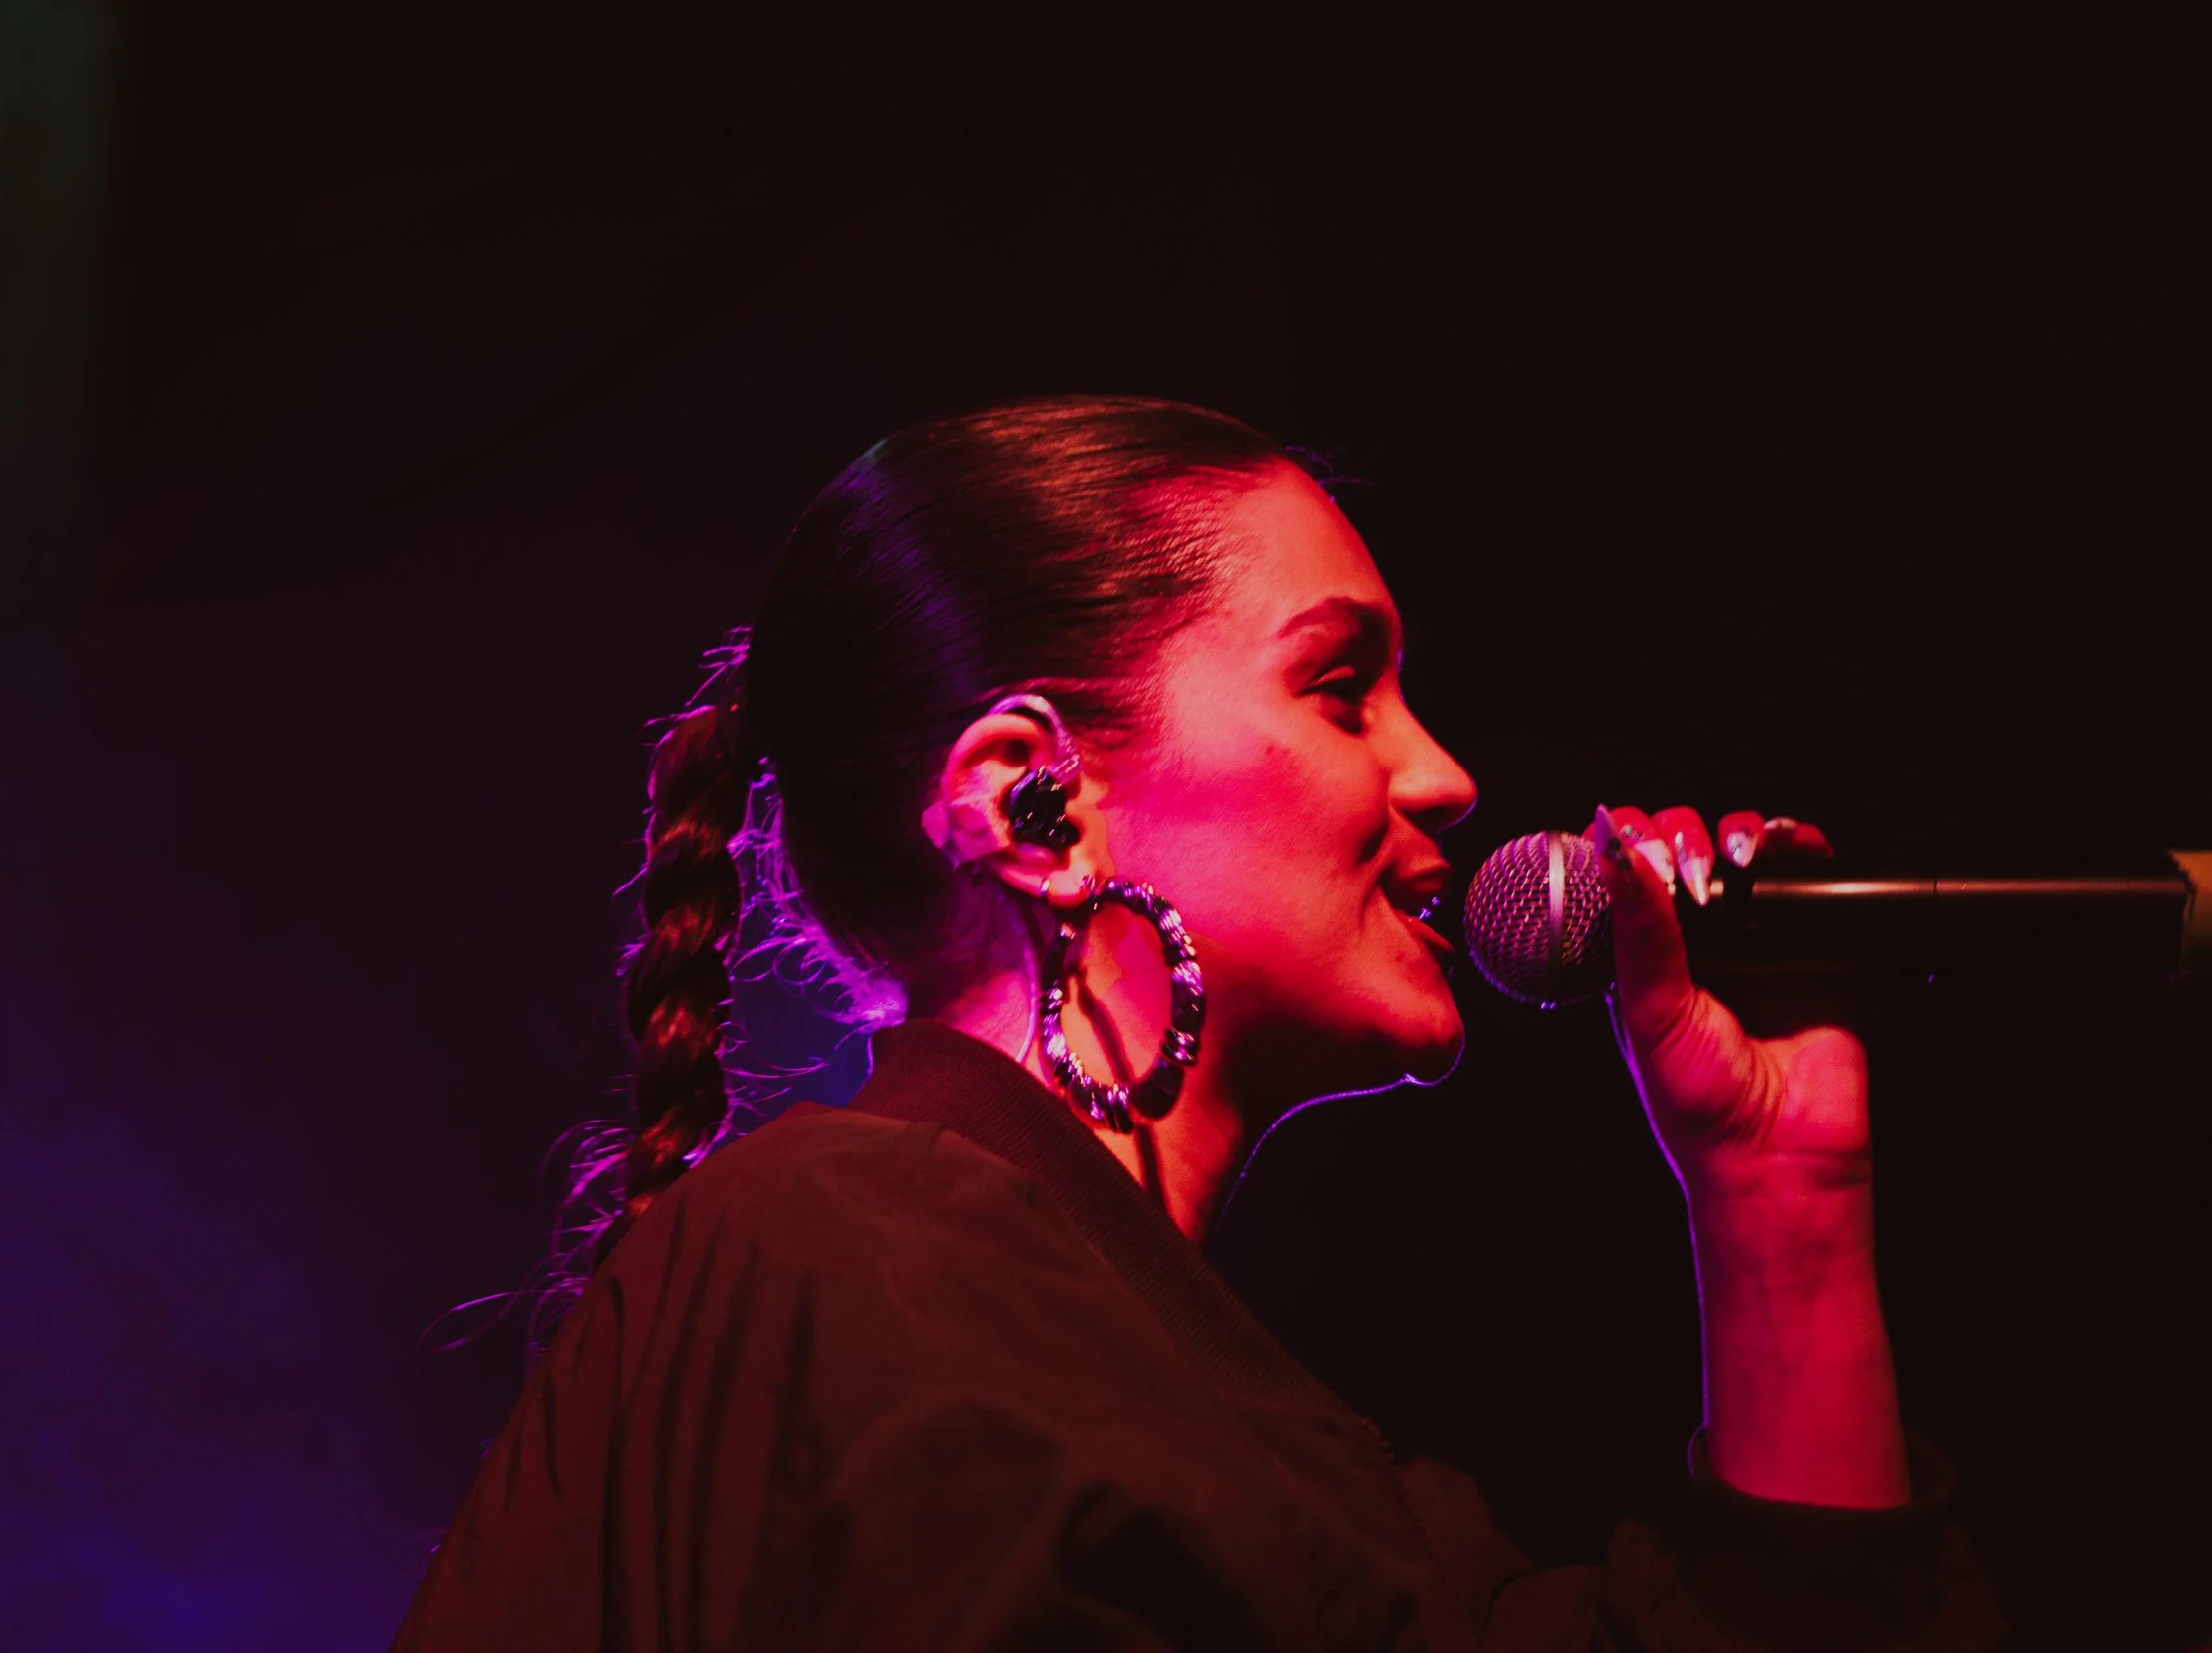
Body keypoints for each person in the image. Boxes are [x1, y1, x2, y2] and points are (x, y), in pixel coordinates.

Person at [392, 396, 2001, 1650]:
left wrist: (1781, 1203)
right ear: (1035, 803)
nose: (1442, 775)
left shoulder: (1225, 1418)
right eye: (1341, 685)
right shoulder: (872, 1244)